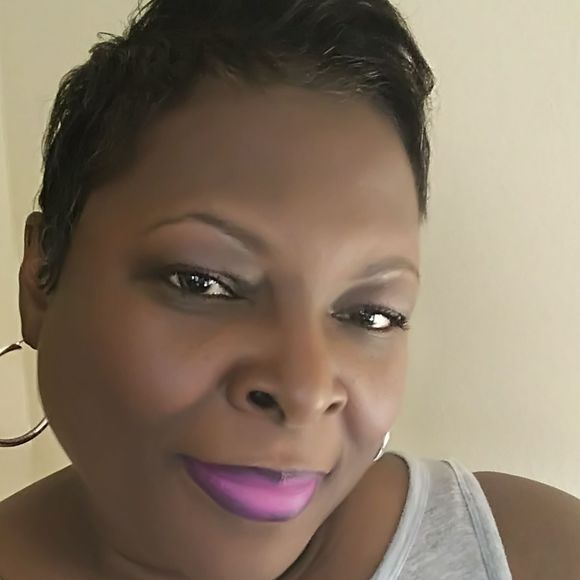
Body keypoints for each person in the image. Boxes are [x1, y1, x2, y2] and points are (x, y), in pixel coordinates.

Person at [0, 1, 579, 578]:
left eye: (372, 315)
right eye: (203, 283)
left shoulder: (534, 554)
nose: (305, 390)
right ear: (42, 278)